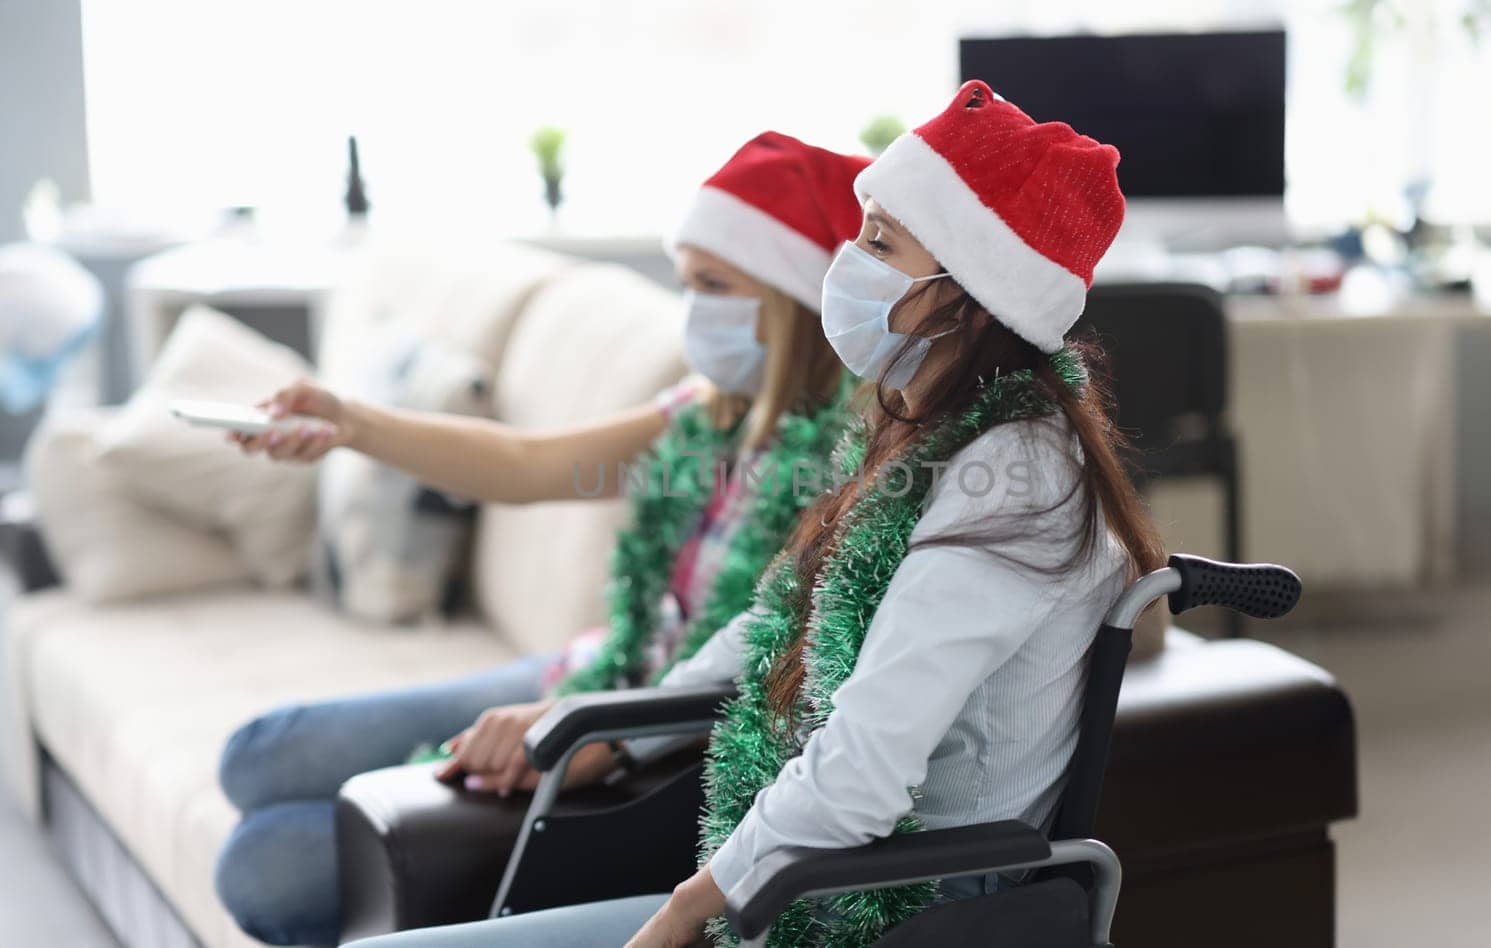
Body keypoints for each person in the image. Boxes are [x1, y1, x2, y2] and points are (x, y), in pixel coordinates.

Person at [345, 79, 1166, 948]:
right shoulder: (916, 430)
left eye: (880, 241)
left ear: (971, 291)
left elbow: (860, 775)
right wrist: (613, 733)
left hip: (892, 907)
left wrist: (682, 912)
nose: (846, 262)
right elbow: (778, 624)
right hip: (805, 880)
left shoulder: (1017, 478)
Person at [211, 132, 870, 947]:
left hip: (656, 740)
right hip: (598, 667)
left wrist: (591, 722)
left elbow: (773, 658)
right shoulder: (709, 410)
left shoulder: (857, 452)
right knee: (257, 756)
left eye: (713, 285)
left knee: (263, 866)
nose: (691, 310)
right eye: (685, 283)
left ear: (793, 299)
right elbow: (526, 465)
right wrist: (351, 424)